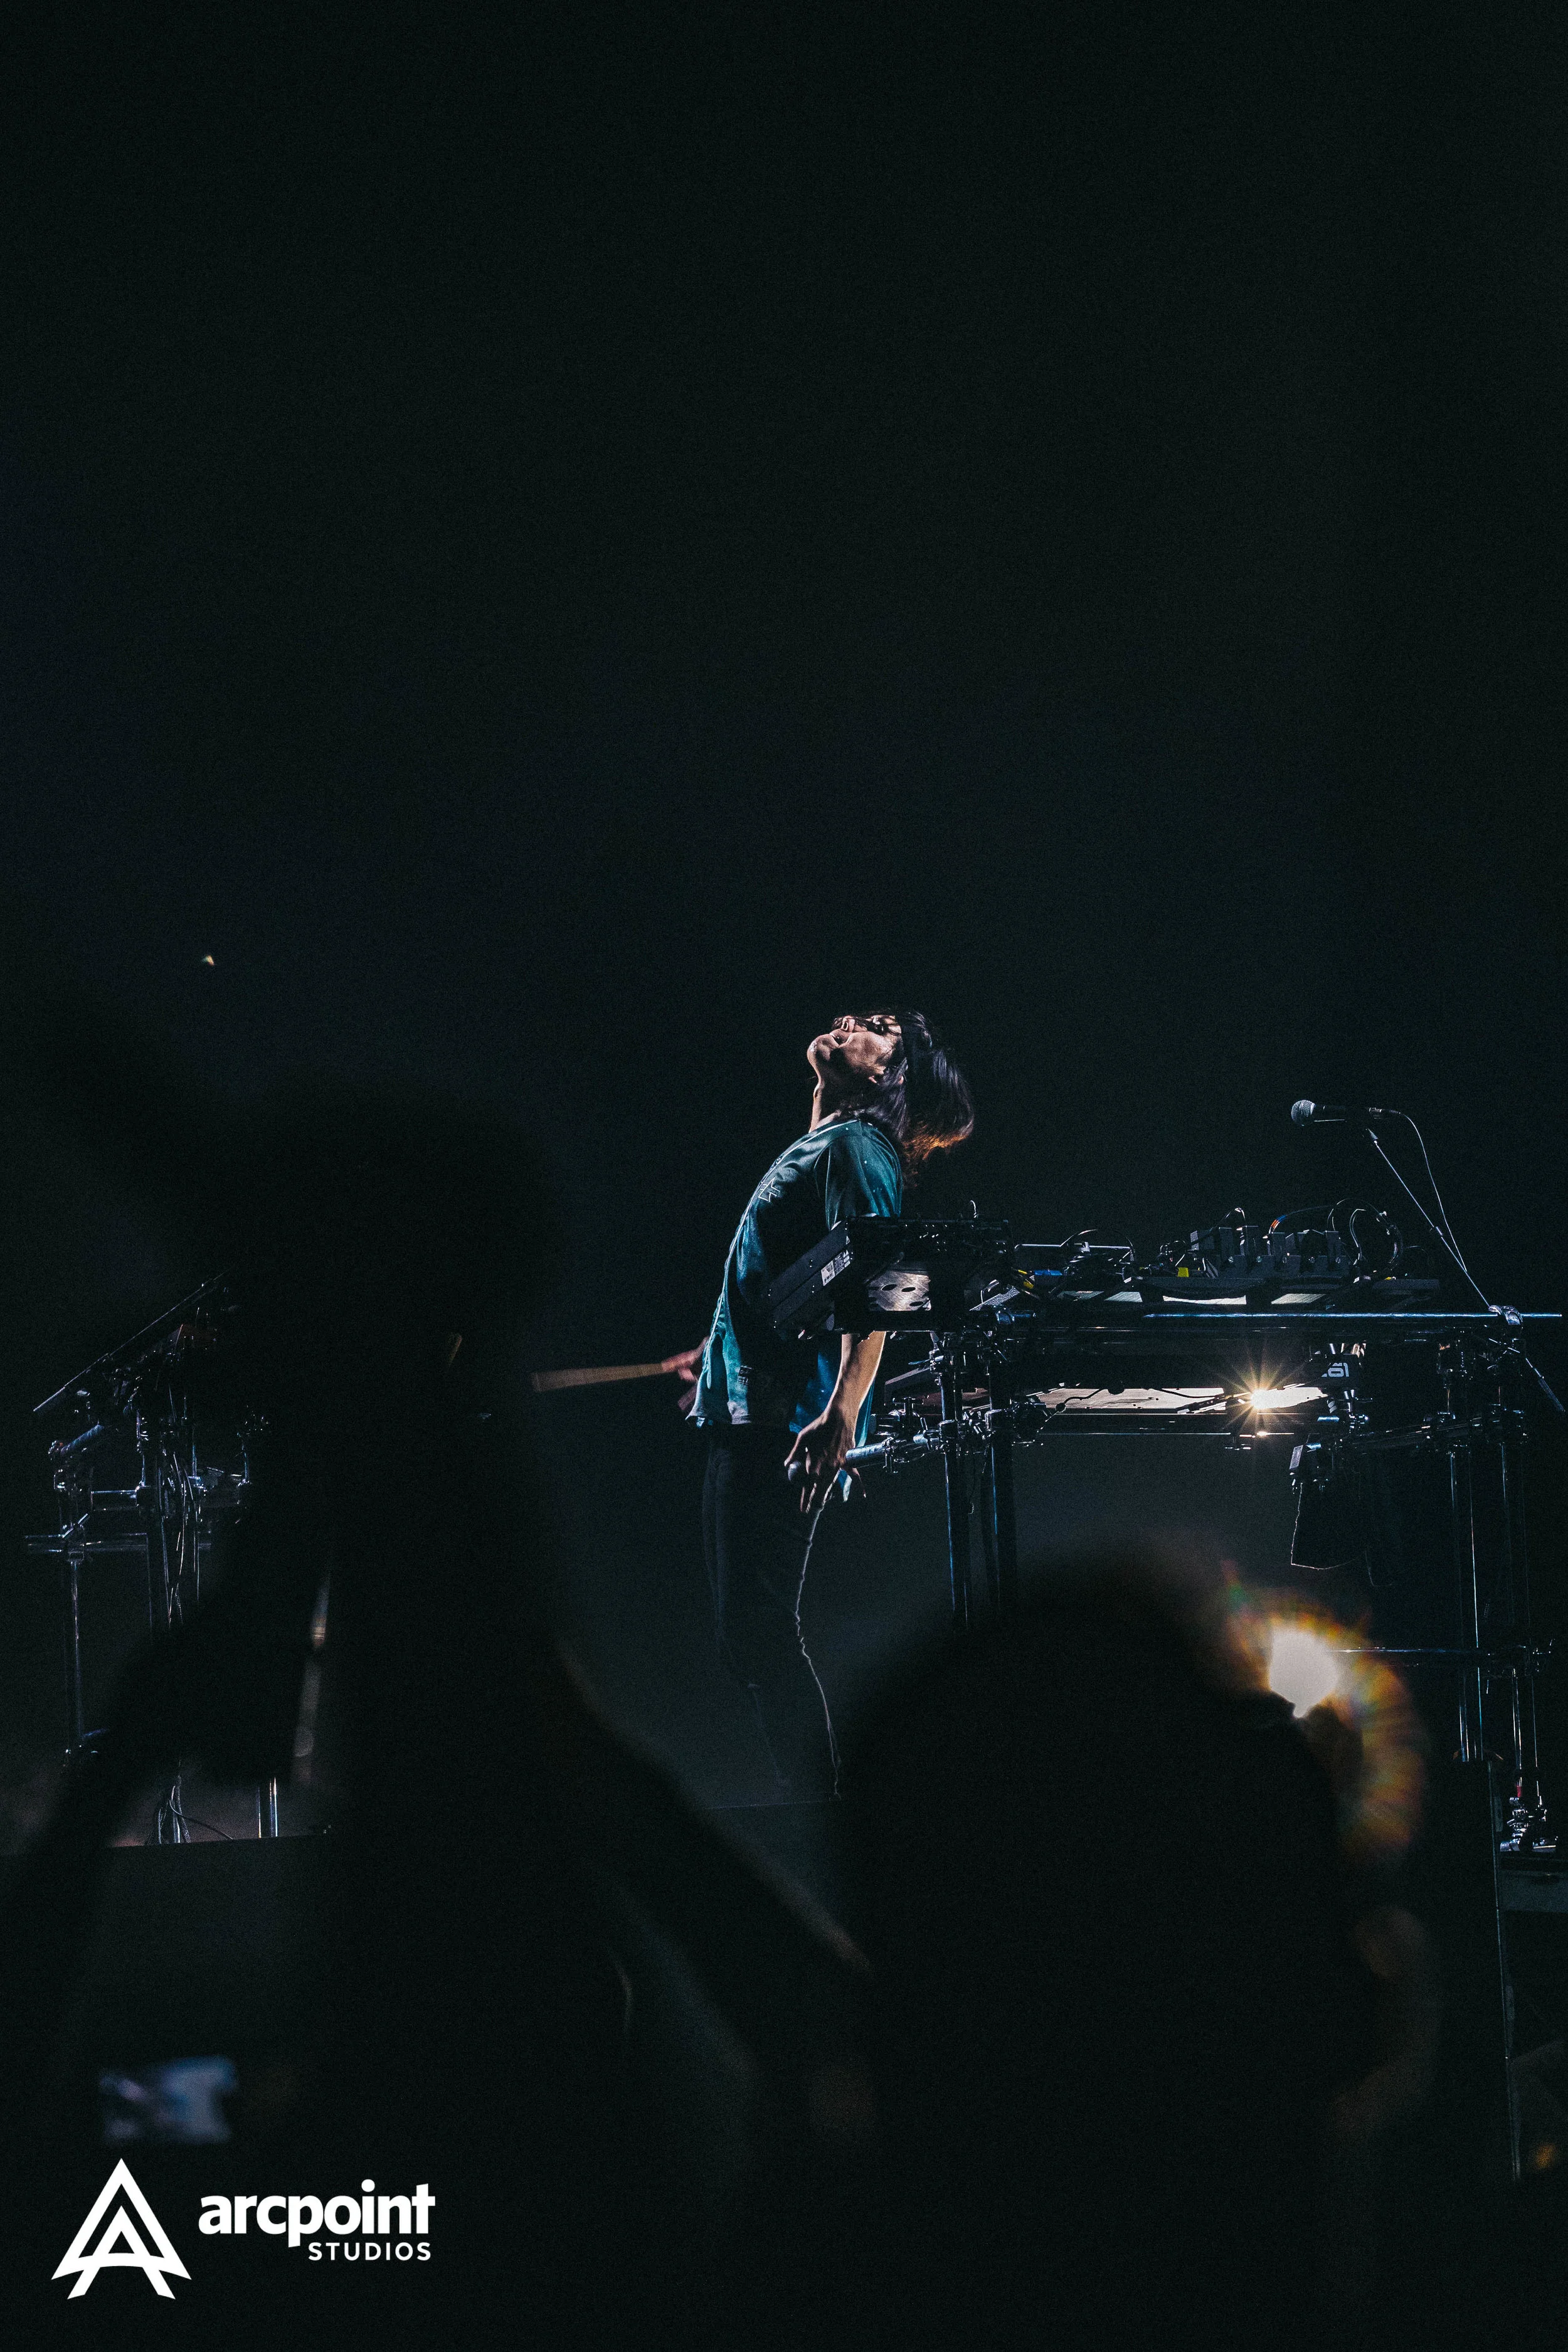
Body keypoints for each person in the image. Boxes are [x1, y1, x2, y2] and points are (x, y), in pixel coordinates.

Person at [670, 1011, 975, 1801]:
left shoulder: (856, 1151)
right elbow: (795, 1274)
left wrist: (842, 1412)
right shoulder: (826, 1142)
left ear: (887, 1075)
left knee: (759, 1631)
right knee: (749, 1632)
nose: (849, 1022)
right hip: (756, 1410)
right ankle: (817, 1803)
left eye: (875, 1029)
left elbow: (875, 1288)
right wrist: (722, 1344)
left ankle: (822, 1808)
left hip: (788, 1423)